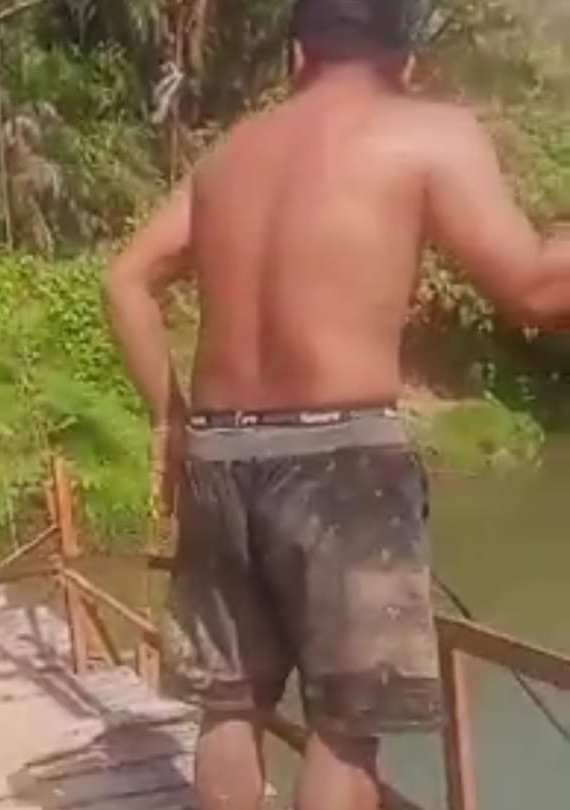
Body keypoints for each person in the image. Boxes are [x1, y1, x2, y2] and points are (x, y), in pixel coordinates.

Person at [104, 0, 570, 808]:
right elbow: (536, 289)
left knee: (229, 704)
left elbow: (126, 279)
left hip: (217, 456)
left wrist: (170, 422)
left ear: (295, 56)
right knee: (346, 723)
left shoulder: (229, 157)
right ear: (408, 63)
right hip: (341, 461)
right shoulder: (428, 132)